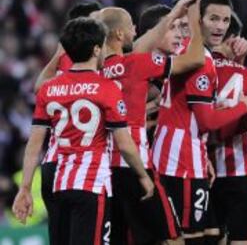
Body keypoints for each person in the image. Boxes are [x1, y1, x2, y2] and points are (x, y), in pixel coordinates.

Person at [12, 17, 153, 245]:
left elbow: (34, 145)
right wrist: (142, 175)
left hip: (60, 184)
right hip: (92, 184)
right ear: (97, 49)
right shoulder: (108, 88)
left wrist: (25, 188)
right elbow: (125, 144)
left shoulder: (49, 88)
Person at [99, 0, 206, 245]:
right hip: (136, 164)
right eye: (130, 27)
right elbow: (194, 59)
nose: (135, 30)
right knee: (172, 238)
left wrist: (171, 15)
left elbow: (134, 50)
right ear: (119, 35)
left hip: (106, 169)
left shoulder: (98, 70)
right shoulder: (137, 64)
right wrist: (193, 20)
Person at [152, 0, 247, 244]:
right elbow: (207, 121)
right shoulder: (200, 62)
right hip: (182, 162)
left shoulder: (182, 52)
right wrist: (244, 105)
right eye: (213, 19)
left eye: (226, 20)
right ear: (199, 21)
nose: (220, 26)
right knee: (190, 238)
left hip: (171, 156)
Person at [32, 1, 103, 245]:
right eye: (96, 21)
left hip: (63, 165)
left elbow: (40, 88)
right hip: (79, 167)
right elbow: (39, 88)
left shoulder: (79, 63)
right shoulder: (78, 63)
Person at [208, 12, 247, 245]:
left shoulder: (196, 68)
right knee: (242, 240)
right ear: (234, 39)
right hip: (241, 168)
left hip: (203, 168)